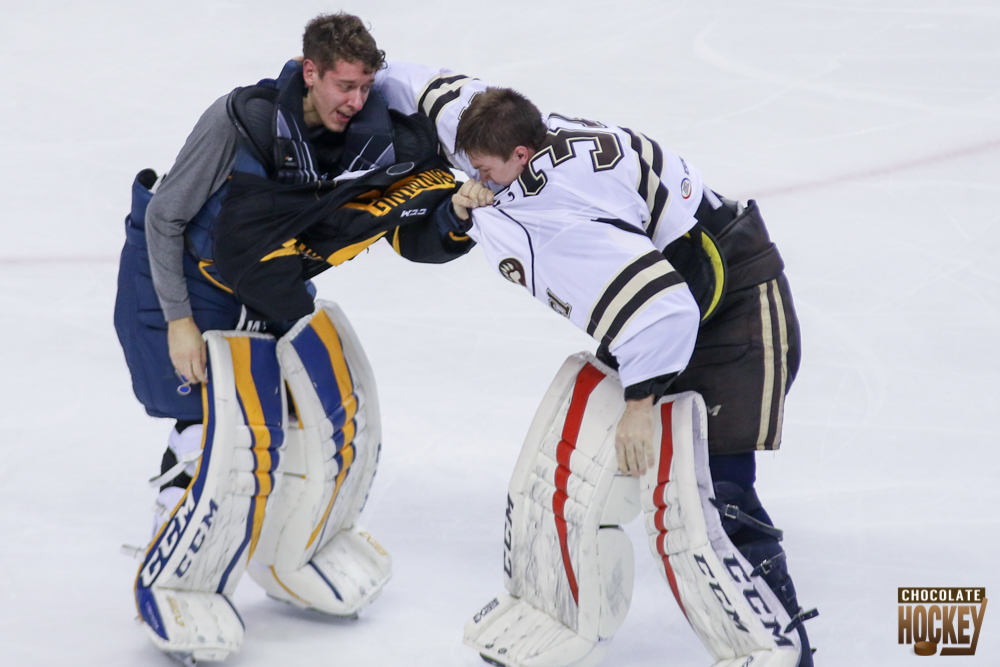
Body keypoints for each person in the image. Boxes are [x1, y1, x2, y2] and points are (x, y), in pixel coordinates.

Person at [374, 63, 816, 666]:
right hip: (662, 285)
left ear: (523, 153)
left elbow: (665, 310)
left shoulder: (563, 218)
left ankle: (780, 644)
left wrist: (641, 407)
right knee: (581, 466)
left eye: (486, 171)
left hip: (729, 300)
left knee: (714, 489)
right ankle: (554, 611)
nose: (475, 179)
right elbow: (413, 82)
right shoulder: (482, 122)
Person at [114, 16, 475, 663]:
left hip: (253, 280)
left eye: (365, 87)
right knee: (207, 424)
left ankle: (286, 549)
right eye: (343, 85)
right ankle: (171, 556)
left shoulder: (356, 135)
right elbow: (166, 216)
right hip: (181, 280)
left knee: (290, 415)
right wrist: (178, 321)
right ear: (309, 71)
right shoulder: (240, 122)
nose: (355, 101)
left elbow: (387, 221)